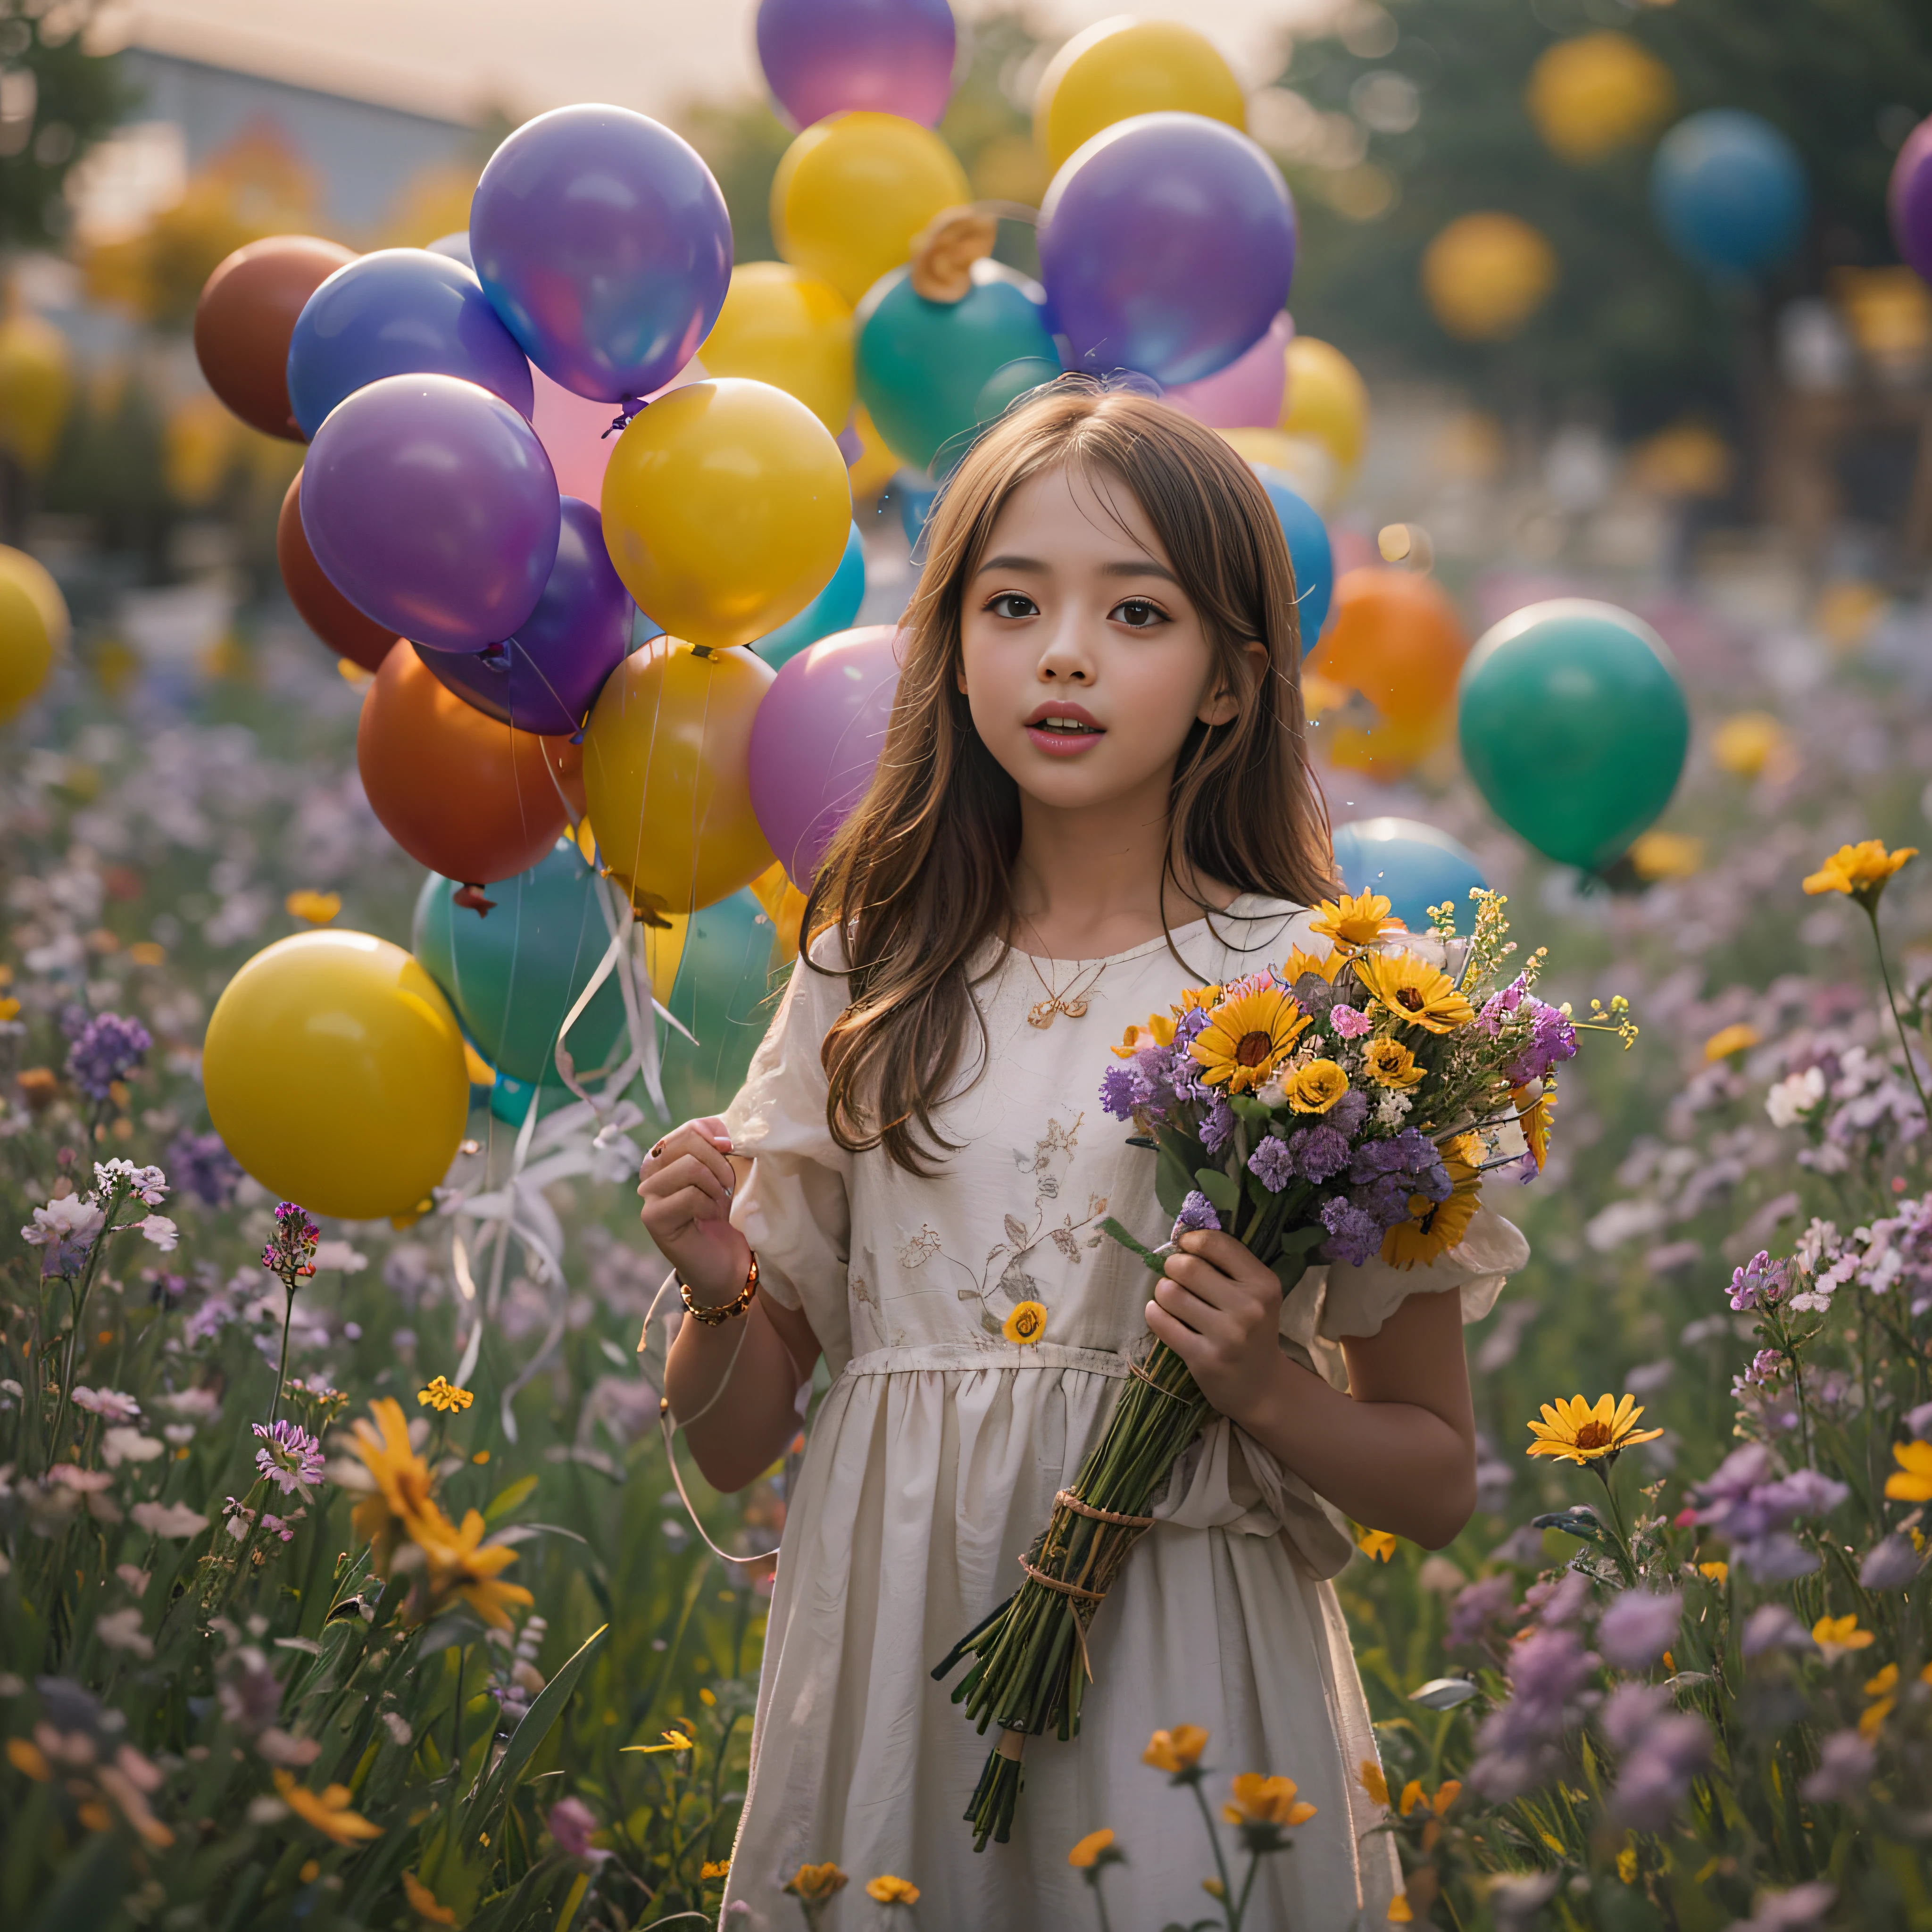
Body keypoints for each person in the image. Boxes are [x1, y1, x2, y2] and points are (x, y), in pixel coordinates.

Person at [636, 380, 1527, 1929]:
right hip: (898, 1653)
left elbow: (1437, 1482)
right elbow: (726, 1442)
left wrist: (1260, 1388)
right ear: (956, 650)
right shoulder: (874, 967)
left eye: (1134, 612)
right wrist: (722, 1292)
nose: (1063, 652)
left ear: (1233, 682)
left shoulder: (1325, 995)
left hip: (1180, 1659)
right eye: (1012, 603)